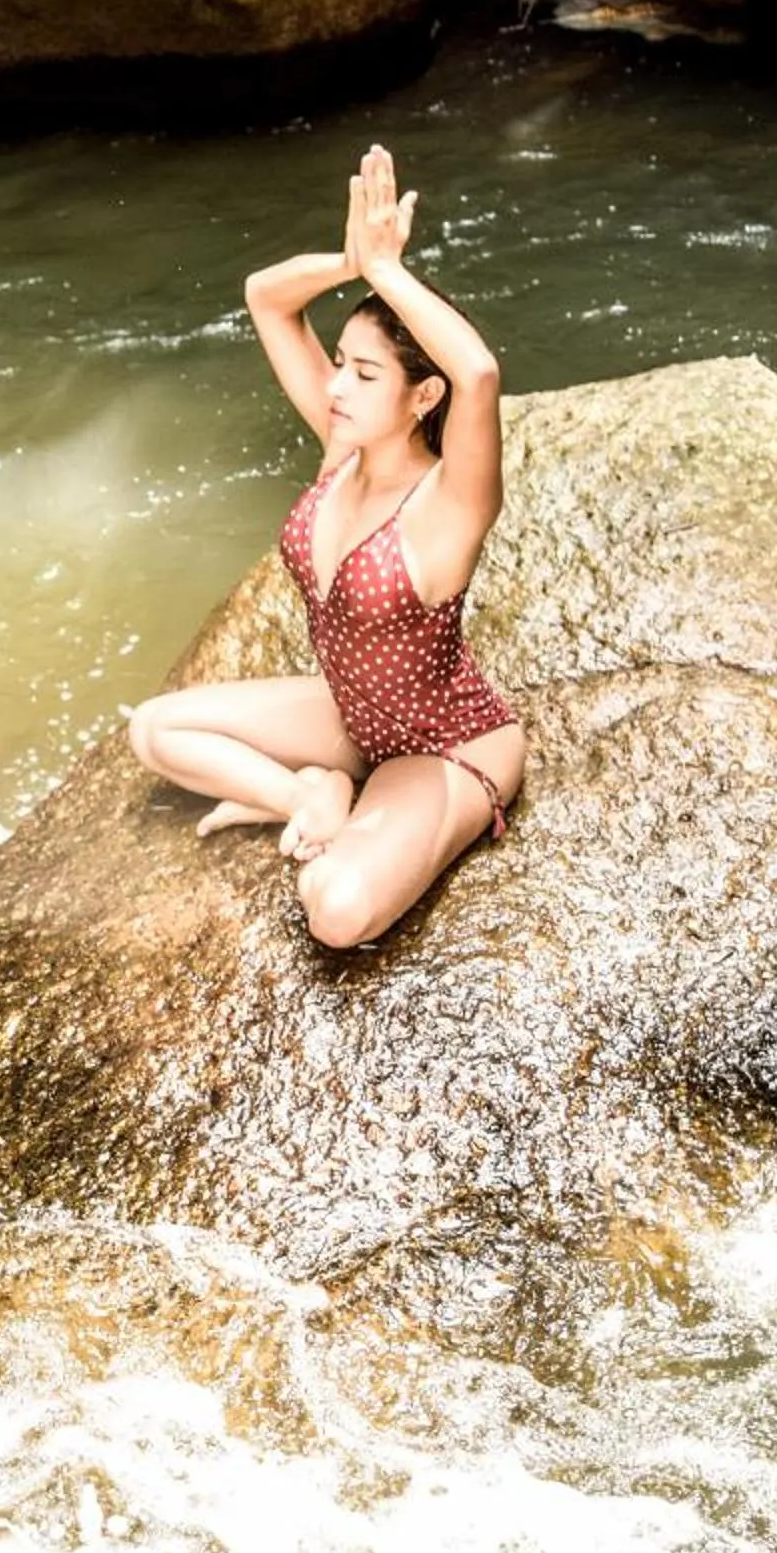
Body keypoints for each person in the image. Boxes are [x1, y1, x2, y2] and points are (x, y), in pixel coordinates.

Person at [128, 145, 524, 950]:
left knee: (335, 912)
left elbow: (479, 372)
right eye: (340, 364)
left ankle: (347, 808)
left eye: (366, 375)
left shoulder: (448, 503)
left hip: (442, 745)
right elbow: (266, 297)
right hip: (351, 719)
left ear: (424, 395)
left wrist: (387, 272)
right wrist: (353, 260)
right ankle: (309, 792)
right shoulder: (344, 445)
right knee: (155, 731)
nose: (337, 386)